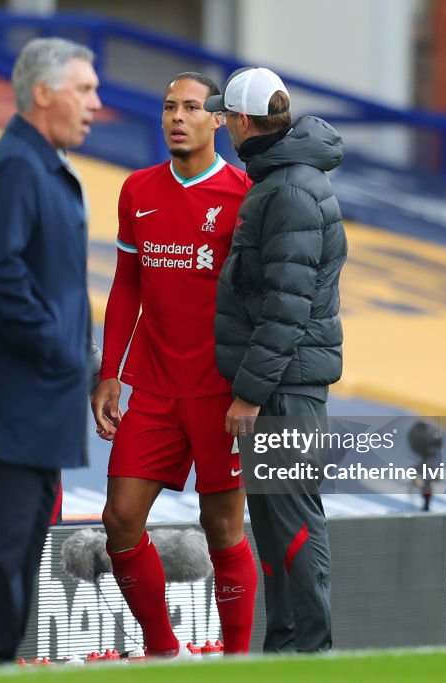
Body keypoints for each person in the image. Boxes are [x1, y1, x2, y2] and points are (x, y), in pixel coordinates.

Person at [0, 36, 100, 666]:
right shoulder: (14, 167)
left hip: (37, 408)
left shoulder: (46, 167)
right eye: (84, 90)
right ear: (43, 93)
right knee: (2, 570)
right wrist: (63, 352)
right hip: (10, 409)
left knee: (18, 571)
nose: (96, 103)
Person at [91, 72, 256, 656]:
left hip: (221, 393)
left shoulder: (245, 193)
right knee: (120, 520)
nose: (177, 117)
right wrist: (111, 372)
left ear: (218, 120)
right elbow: (127, 286)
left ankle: (236, 663)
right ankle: (164, 652)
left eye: (191, 107)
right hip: (155, 389)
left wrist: (253, 388)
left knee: (223, 531)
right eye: (168, 107)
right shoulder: (138, 190)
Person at [206, 67, 347, 653]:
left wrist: (251, 392)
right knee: (274, 527)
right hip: (283, 384)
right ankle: (286, 650)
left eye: (223, 117)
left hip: (283, 389)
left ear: (241, 122)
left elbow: (285, 307)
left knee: (291, 523)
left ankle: (309, 653)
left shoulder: (287, 189)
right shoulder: (286, 178)